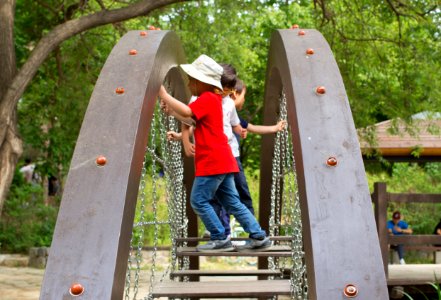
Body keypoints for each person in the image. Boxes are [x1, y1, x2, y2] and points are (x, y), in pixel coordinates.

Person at [158, 54, 270, 252]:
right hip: (224, 160)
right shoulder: (211, 100)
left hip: (213, 162)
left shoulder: (208, 98)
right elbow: (192, 120)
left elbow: (188, 113)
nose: (189, 83)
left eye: (192, 80)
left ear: (203, 82)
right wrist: (172, 112)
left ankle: (219, 237)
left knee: (198, 200)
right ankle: (258, 235)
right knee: (232, 201)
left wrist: (165, 96)